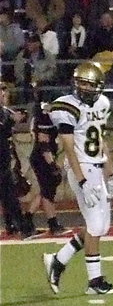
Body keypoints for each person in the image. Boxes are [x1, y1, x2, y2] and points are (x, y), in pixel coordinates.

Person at [41, 63, 113, 294]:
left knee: (101, 226)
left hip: (97, 166)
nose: (86, 88)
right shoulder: (67, 105)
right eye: (82, 83)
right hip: (83, 167)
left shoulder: (103, 103)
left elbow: (101, 141)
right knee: (96, 226)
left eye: (90, 84)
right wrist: (82, 180)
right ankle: (94, 282)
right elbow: (68, 147)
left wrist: (111, 172)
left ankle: (58, 260)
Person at [0, 83, 36, 239]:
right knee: (9, 197)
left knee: (8, 195)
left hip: (4, 159)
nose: (3, 96)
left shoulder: (5, 112)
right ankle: (22, 227)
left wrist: (19, 117)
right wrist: (10, 122)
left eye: (4, 93)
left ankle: (13, 225)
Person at [25, 98, 65, 236]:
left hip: (44, 157)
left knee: (46, 190)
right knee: (47, 192)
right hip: (42, 158)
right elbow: (43, 144)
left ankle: (27, 219)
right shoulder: (43, 117)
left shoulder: (43, 116)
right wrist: (52, 164)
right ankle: (53, 224)